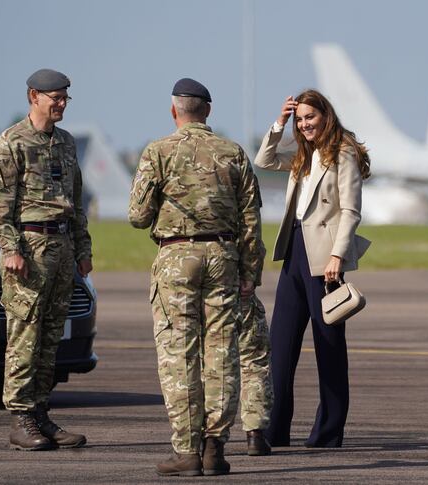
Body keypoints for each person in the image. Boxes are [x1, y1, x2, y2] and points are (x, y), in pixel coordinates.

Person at [128, 78, 263, 476]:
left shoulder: (159, 151)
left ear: (175, 111)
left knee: (178, 352)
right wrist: (250, 271)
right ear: (208, 111)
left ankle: (185, 450)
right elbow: (251, 219)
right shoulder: (232, 152)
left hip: (176, 257)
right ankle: (214, 447)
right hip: (223, 256)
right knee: (222, 352)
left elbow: (137, 216)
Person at [254, 89, 371, 448]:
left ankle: (328, 432)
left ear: (326, 116)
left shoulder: (344, 151)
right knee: (281, 344)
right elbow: (264, 159)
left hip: (325, 259)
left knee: (329, 347)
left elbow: (350, 209)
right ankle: (275, 429)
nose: (305, 124)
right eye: (300, 118)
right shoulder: (302, 153)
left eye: (310, 117)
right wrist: (280, 122)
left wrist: (338, 255)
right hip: (294, 251)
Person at [0, 68, 92, 451]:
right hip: (29, 249)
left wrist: (83, 249)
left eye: (65, 97)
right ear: (34, 96)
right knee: (25, 335)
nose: (61, 104)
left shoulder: (65, 142)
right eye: (55, 98)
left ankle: (41, 413)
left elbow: (76, 200)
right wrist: (11, 249)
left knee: (50, 337)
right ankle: (20, 417)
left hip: (61, 247)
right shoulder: (11, 142)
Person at [238, 290, 274, 456]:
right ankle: (255, 434)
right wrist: (250, 277)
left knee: (204, 366)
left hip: (193, 297)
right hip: (236, 291)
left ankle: (208, 442)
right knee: (254, 362)